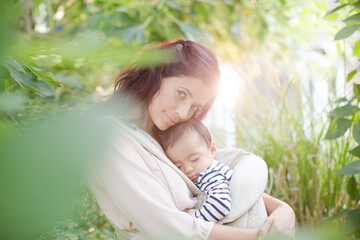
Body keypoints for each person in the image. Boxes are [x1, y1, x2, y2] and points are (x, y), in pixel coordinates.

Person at [88, 39, 295, 240]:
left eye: (196, 106)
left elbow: (215, 173)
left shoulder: (168, 133)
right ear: (156, 74)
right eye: (181, 93)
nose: (183, 112)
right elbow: (168, 227)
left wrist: (281, 208)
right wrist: (258, 237)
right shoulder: (110, 138)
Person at [159, 118, 233, 223]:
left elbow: (221, 205)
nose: (188, 169)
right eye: (179, 166)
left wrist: (191, 222)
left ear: (212, 150)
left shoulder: (210, 174)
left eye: (195, 159)